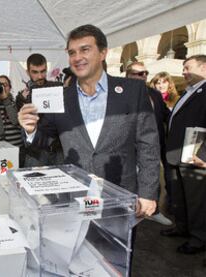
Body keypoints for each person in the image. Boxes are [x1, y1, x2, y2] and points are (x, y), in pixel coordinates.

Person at [18, 24, 159, 217]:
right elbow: (47, 141)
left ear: (103, 53)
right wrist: (31, 130)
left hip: (122, 195)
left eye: (85, 49)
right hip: (76, 196)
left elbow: (148, 145)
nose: (77, 57)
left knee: (118, 247)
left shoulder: (133, 91)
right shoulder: (60, 97)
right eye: (72, 52)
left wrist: (148, 193)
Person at [161, 55, 206, 255]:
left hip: (195, 157)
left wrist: (204, 156)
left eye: (188, 67)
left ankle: (198, 238)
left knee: (196, 200)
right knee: (179, 196)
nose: (184, 72)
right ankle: (182, 227)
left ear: (204, 68)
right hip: (176, 154)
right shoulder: (189, 92)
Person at [126, 62, 172, 226]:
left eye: (145, 73)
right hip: (128, 146)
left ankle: (155, 210)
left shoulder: (155, 94)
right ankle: (129, 211)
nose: (143, 76)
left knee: (151, 175)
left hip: (152, 144)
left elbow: (167, 115)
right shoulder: (121, 93)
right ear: (128, 75)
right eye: (138, 73)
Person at [15, 53, 64, 167]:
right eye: (35, 72)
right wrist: (23, 100)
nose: (40, 76)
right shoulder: (22, 96)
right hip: (36, 152)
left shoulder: (57, 87)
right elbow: (25, 125)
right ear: (28, 72)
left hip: (59, 150)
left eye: (43, 71)